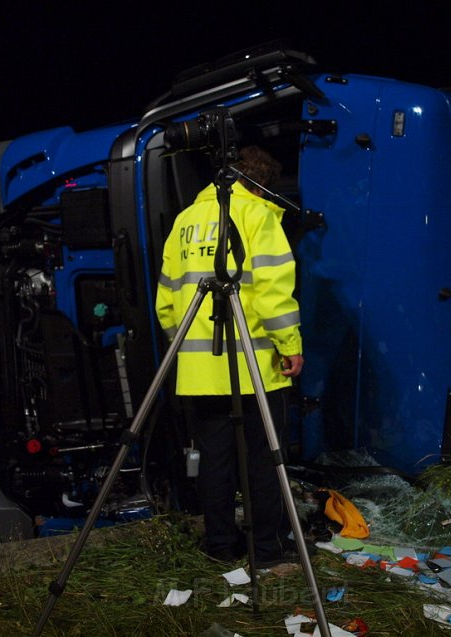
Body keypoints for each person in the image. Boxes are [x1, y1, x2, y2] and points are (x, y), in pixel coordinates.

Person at [155, 145, 303, 565]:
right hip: (255, 367)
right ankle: (267, 552)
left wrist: (187, 346)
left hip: (200, 373)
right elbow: (272, 295)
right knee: (263, 462)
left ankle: (220, 548)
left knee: (215, 463)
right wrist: (289, 346)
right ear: (262, 185)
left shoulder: (186, 221)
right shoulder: (259, 217)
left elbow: (166, 302)